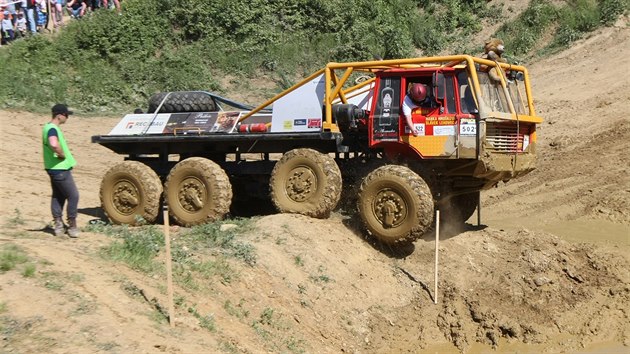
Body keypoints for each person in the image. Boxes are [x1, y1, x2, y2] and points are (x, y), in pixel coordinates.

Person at [43, 104, 80, 237]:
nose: (67, 117)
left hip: (52, 167)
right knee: (73, 195)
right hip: (60, 168)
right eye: (66, 115)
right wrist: (61, 153)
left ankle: (58, 225)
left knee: (58, 196)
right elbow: (53, 143)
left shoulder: (47, 127)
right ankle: (72, 226)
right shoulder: (52, 129)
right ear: (59, 115)